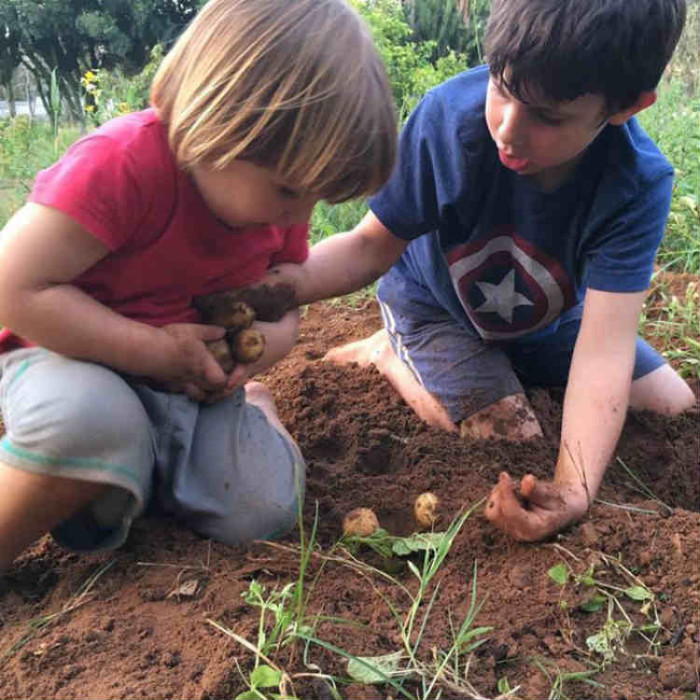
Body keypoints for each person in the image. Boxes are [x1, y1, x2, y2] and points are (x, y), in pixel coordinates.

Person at [262, 0, 695, 542]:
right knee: (511, 438)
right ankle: (391, 353)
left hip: (547, 321)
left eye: (547, 117)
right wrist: (277, 286)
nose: (508, 129)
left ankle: (497, 366)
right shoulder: (448, 120)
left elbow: (603, 346)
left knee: (674, 408)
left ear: (626, 107)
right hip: (434, 308)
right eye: (501, 88)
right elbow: (370, 246)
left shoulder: (637, 184)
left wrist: (574, 487)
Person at [0, 0, 396, 570]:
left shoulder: (273, 211)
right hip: (69, 360)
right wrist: (151, 350)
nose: (298, 216)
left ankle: (217, 431)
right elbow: (16, 285)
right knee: (93, 422)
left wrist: (255, 362)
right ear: (221, 124)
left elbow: (283, 305)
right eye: (290, 190)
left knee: (262, 511)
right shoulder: (122, 165)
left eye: (316, 196)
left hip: (187, 388)